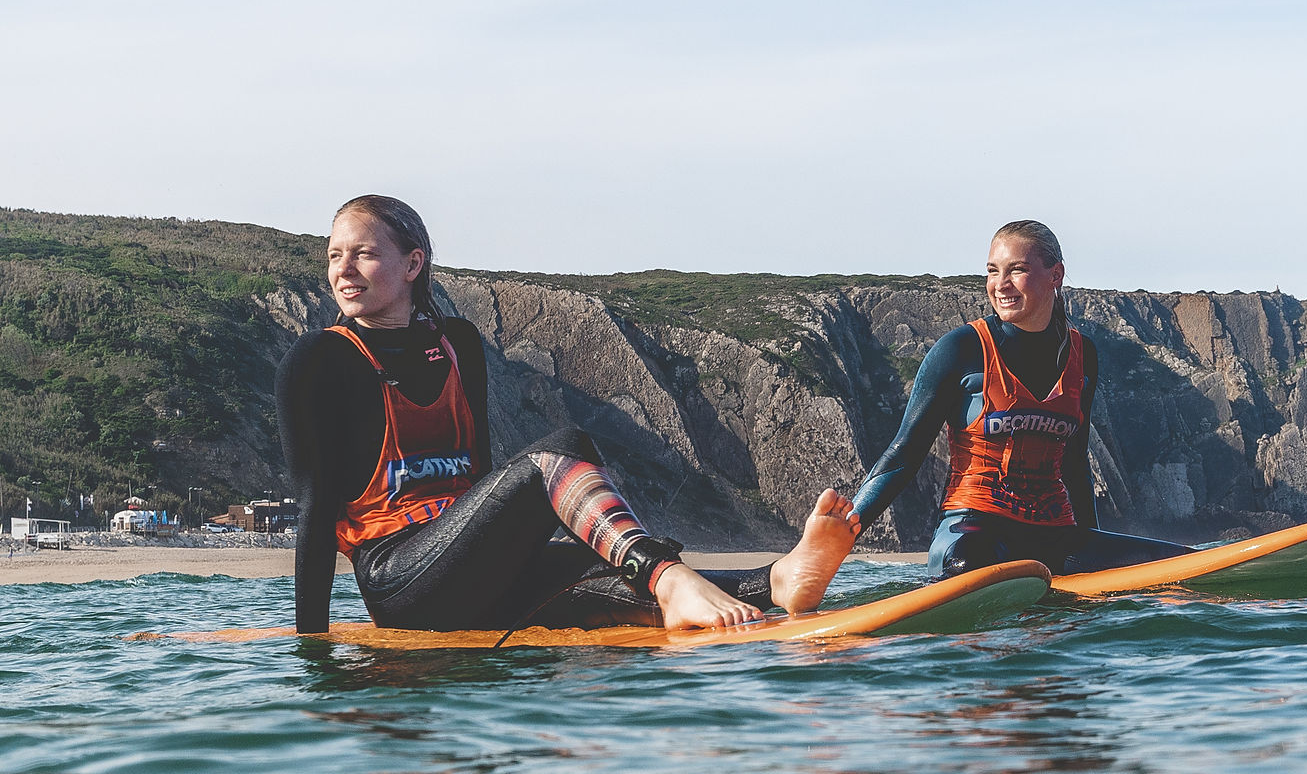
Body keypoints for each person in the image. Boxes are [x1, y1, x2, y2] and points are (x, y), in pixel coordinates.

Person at [276, 195, 859, 635]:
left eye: (364, 253)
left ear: (412, 264)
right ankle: (672, 580)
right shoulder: (320, 359)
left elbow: (476, 478)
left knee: (610, 570)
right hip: (401, 579)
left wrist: (530, 557)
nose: (343, 269)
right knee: (559, 453)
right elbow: (313, 511)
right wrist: (313, 644)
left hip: (467, 559)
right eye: (334, 255)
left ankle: (778, 582)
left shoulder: (457, 344)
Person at [850, 220, 1187, 577]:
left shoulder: (1081, 354)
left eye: (1018, 270)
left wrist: (1091, 552)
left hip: (1054, 534)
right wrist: (843, 533)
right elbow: (904, 455)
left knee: (1186, 565)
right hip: (972, 532)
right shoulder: (962, 349)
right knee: (971, 564)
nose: (1001, 285)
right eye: (993, 271)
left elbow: (1074, 463)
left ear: (1055, 274)